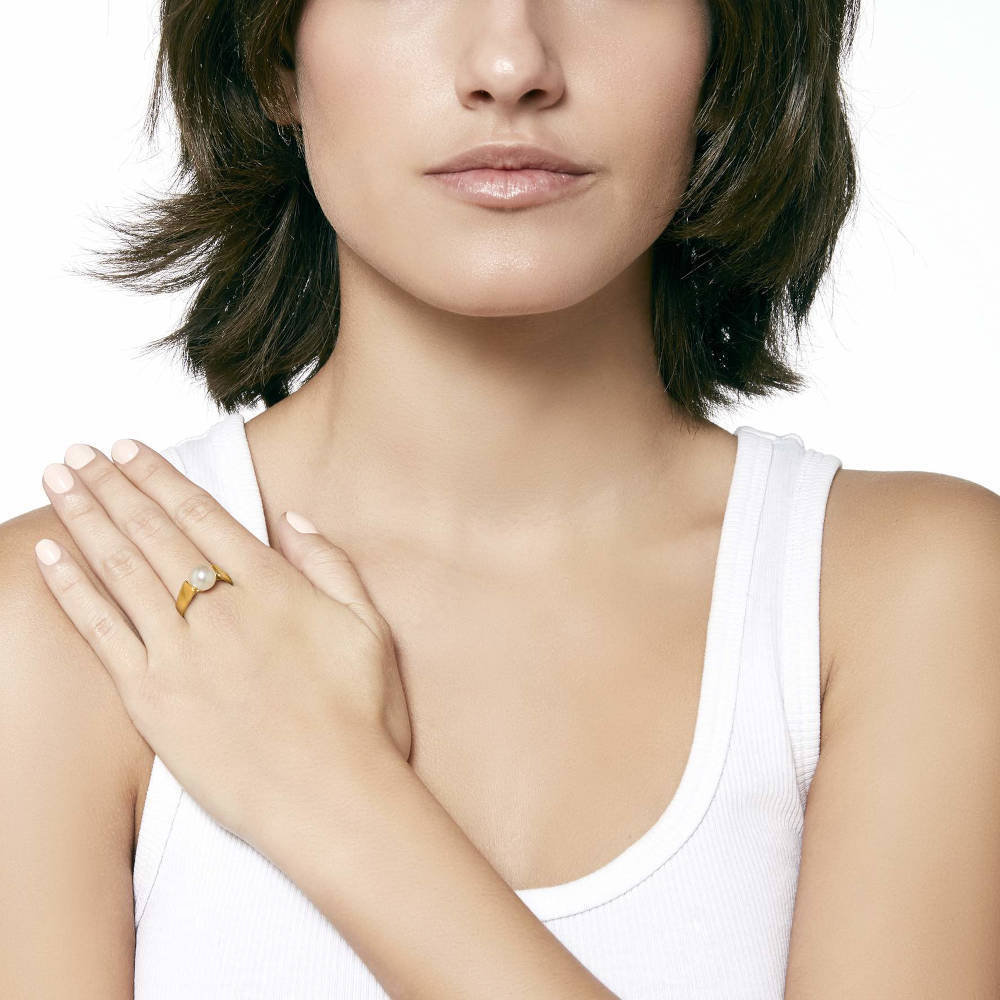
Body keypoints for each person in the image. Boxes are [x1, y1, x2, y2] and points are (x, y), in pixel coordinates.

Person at [2, 0, 998, 996]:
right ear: (271, 58)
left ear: (727, 48)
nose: (512, 65)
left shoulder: (911, 595)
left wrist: (327, 785)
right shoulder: (64, 616)